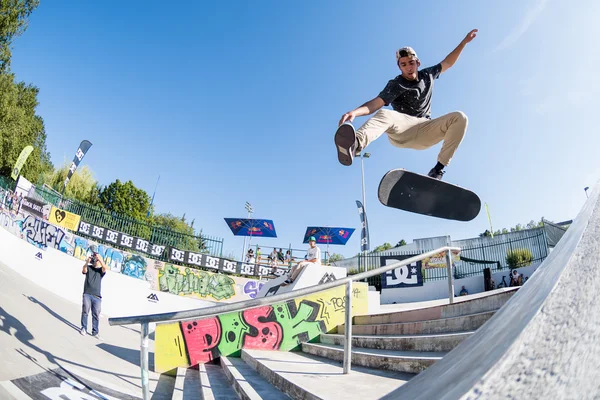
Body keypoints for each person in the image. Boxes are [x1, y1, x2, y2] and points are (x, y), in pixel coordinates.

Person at [335, 29, 478, 180]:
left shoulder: (428, 75)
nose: (408, 68)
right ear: (399, 67)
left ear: (418, 62)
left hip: (425, 129)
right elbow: (376, 103)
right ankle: (354, 144)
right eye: (403, 65)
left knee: (459, 117)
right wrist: (354, 113)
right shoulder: (396, 84)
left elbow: (448, 62)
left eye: (411, 63)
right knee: (385, 113)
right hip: (402, 129)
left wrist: (463, 43)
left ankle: (438, 170)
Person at [80, 244, 107, 339]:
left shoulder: (100, 271)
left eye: (96, 261)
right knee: (85, 311)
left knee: (96, 315)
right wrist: (87, 262)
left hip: (97, 297)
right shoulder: (89, 268)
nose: (95, 262)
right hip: (87, 294)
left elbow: (105, 268)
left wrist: (100, 259)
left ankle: (95, 332)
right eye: (94, 260)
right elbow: (83, 270)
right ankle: (84, 328)